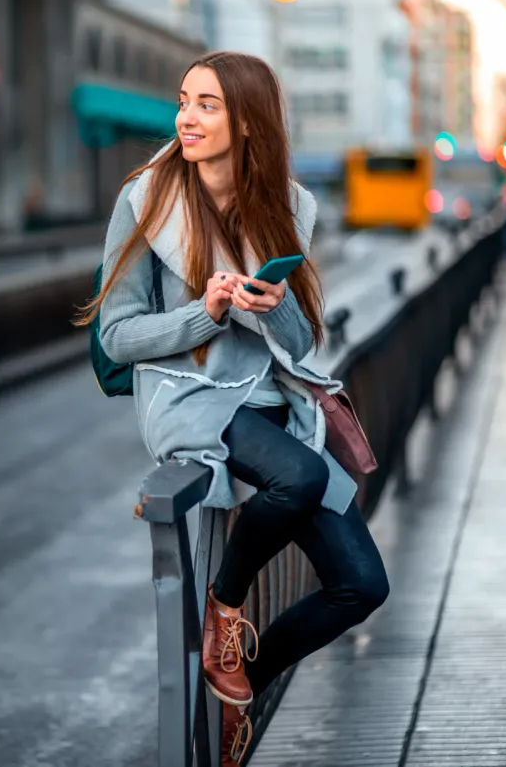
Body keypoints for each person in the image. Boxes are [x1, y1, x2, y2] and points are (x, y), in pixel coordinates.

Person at [76, 51, 389, 764]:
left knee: (362, 584)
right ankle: (226, 605)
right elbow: (117, 336)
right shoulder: (147, 200)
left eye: (207, 104)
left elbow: (302, 341)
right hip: (190, 396)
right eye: (184, 101)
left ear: (247, 122)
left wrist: (274, 307)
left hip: (273, 398)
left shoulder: (285, 205)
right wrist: (207, 313)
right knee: (300, 476)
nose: (186, 117)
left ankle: (243, 682)